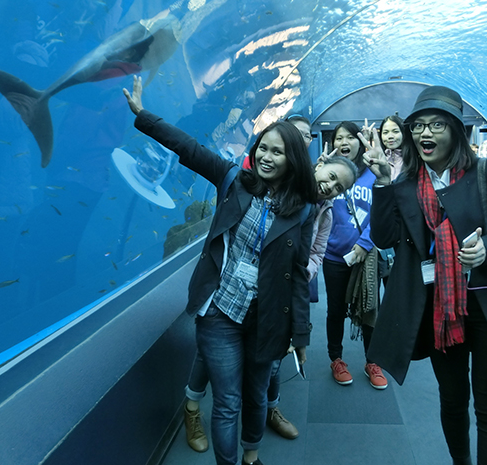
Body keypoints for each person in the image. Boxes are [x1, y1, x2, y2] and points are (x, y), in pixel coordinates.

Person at [124, 75, 317, 465]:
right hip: (221, 312)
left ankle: (251, 456)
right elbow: (189, 149)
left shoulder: (303, 210)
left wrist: (300, 332)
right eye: (262, 147)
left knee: (257, 394)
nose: (266, 156)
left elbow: (297, 275)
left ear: (292, 159)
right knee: (228, 399)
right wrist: (144, 116)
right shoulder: (233, 180)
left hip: (266, 318)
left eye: (277, 152)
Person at [362, 85, 487, 465]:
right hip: (439, 309)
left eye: (437, 125)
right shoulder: (406, 185)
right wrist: (381, 182)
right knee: (453, 399)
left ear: (457, 131)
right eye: (419, 126)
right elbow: (383, 237)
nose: (426, 133)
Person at [181, 151, 357, 449]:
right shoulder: (279, 189)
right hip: (235, 289)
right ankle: (192, 408)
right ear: (318, 165)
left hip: (280, 294)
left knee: (271, 362)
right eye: (329, 176)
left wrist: (297, 272)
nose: (329, 186)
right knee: (210, 355)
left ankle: (268, 410)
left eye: (338, 187)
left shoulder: (323, 211)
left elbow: (316, 253)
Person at [323, 121, 388, 389]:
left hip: (365, 255)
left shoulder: (372, 175)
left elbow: (382, 213)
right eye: (339, 137)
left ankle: (372, 361)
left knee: (370, 308)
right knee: (335, 310)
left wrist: (364, 243)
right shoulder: (327, 174)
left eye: (350, 137)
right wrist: (318, 173)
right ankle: (336, 358)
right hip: (334, 257)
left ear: (360, 143)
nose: (344, 142)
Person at [379, 115, 405, 181]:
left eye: (395, 131)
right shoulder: (378, 160)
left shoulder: (414, 160)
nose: (390, 136)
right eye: (385, 132)